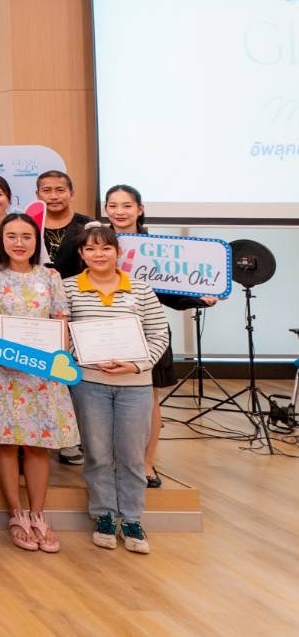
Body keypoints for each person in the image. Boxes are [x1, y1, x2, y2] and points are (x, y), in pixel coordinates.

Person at [62, 223, 170, 555]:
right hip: (90, 383)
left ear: (118, 252)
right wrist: (84, 358)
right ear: (81, 254)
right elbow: (62, 335)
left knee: (132, 454)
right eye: (91, 249)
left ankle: (132, 518)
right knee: (97, 453)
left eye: (106, 248)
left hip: (135, 384)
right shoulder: (68, 288)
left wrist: (136, 365)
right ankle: (104, 516)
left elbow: (159, 334)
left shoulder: (141, 289)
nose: (99, 254)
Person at [0, 212, 79, 553]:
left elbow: (60, 323)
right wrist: (0, 353)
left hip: (43, 373)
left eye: (26, 236)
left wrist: (57, 360)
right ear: (1, 240)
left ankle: (38, 514)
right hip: (2, 372)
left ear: (37, 241)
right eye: (12, 236)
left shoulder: (50, 276)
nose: (19, 243)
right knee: (5, 443)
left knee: (38, 444)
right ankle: (16, 514)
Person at [104, 184, 214, 487]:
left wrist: (198, 299)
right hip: (104, 331)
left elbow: (169, 295)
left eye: (127, 205)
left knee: (149, 400)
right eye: (113, 205)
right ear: (105, 210)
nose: (120, 212)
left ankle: (147, 464)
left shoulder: (159, 248)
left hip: (148, 332)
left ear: (140, 209)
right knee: (102, 399)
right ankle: (110, 464)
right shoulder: (96, 242)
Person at [36, 170, 93, 278]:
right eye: (46, 191)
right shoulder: (30, 225)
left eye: (60, 190)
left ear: (71, 194)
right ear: (38, 195)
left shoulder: (89, 225)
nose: (54, 196)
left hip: (80, 287)